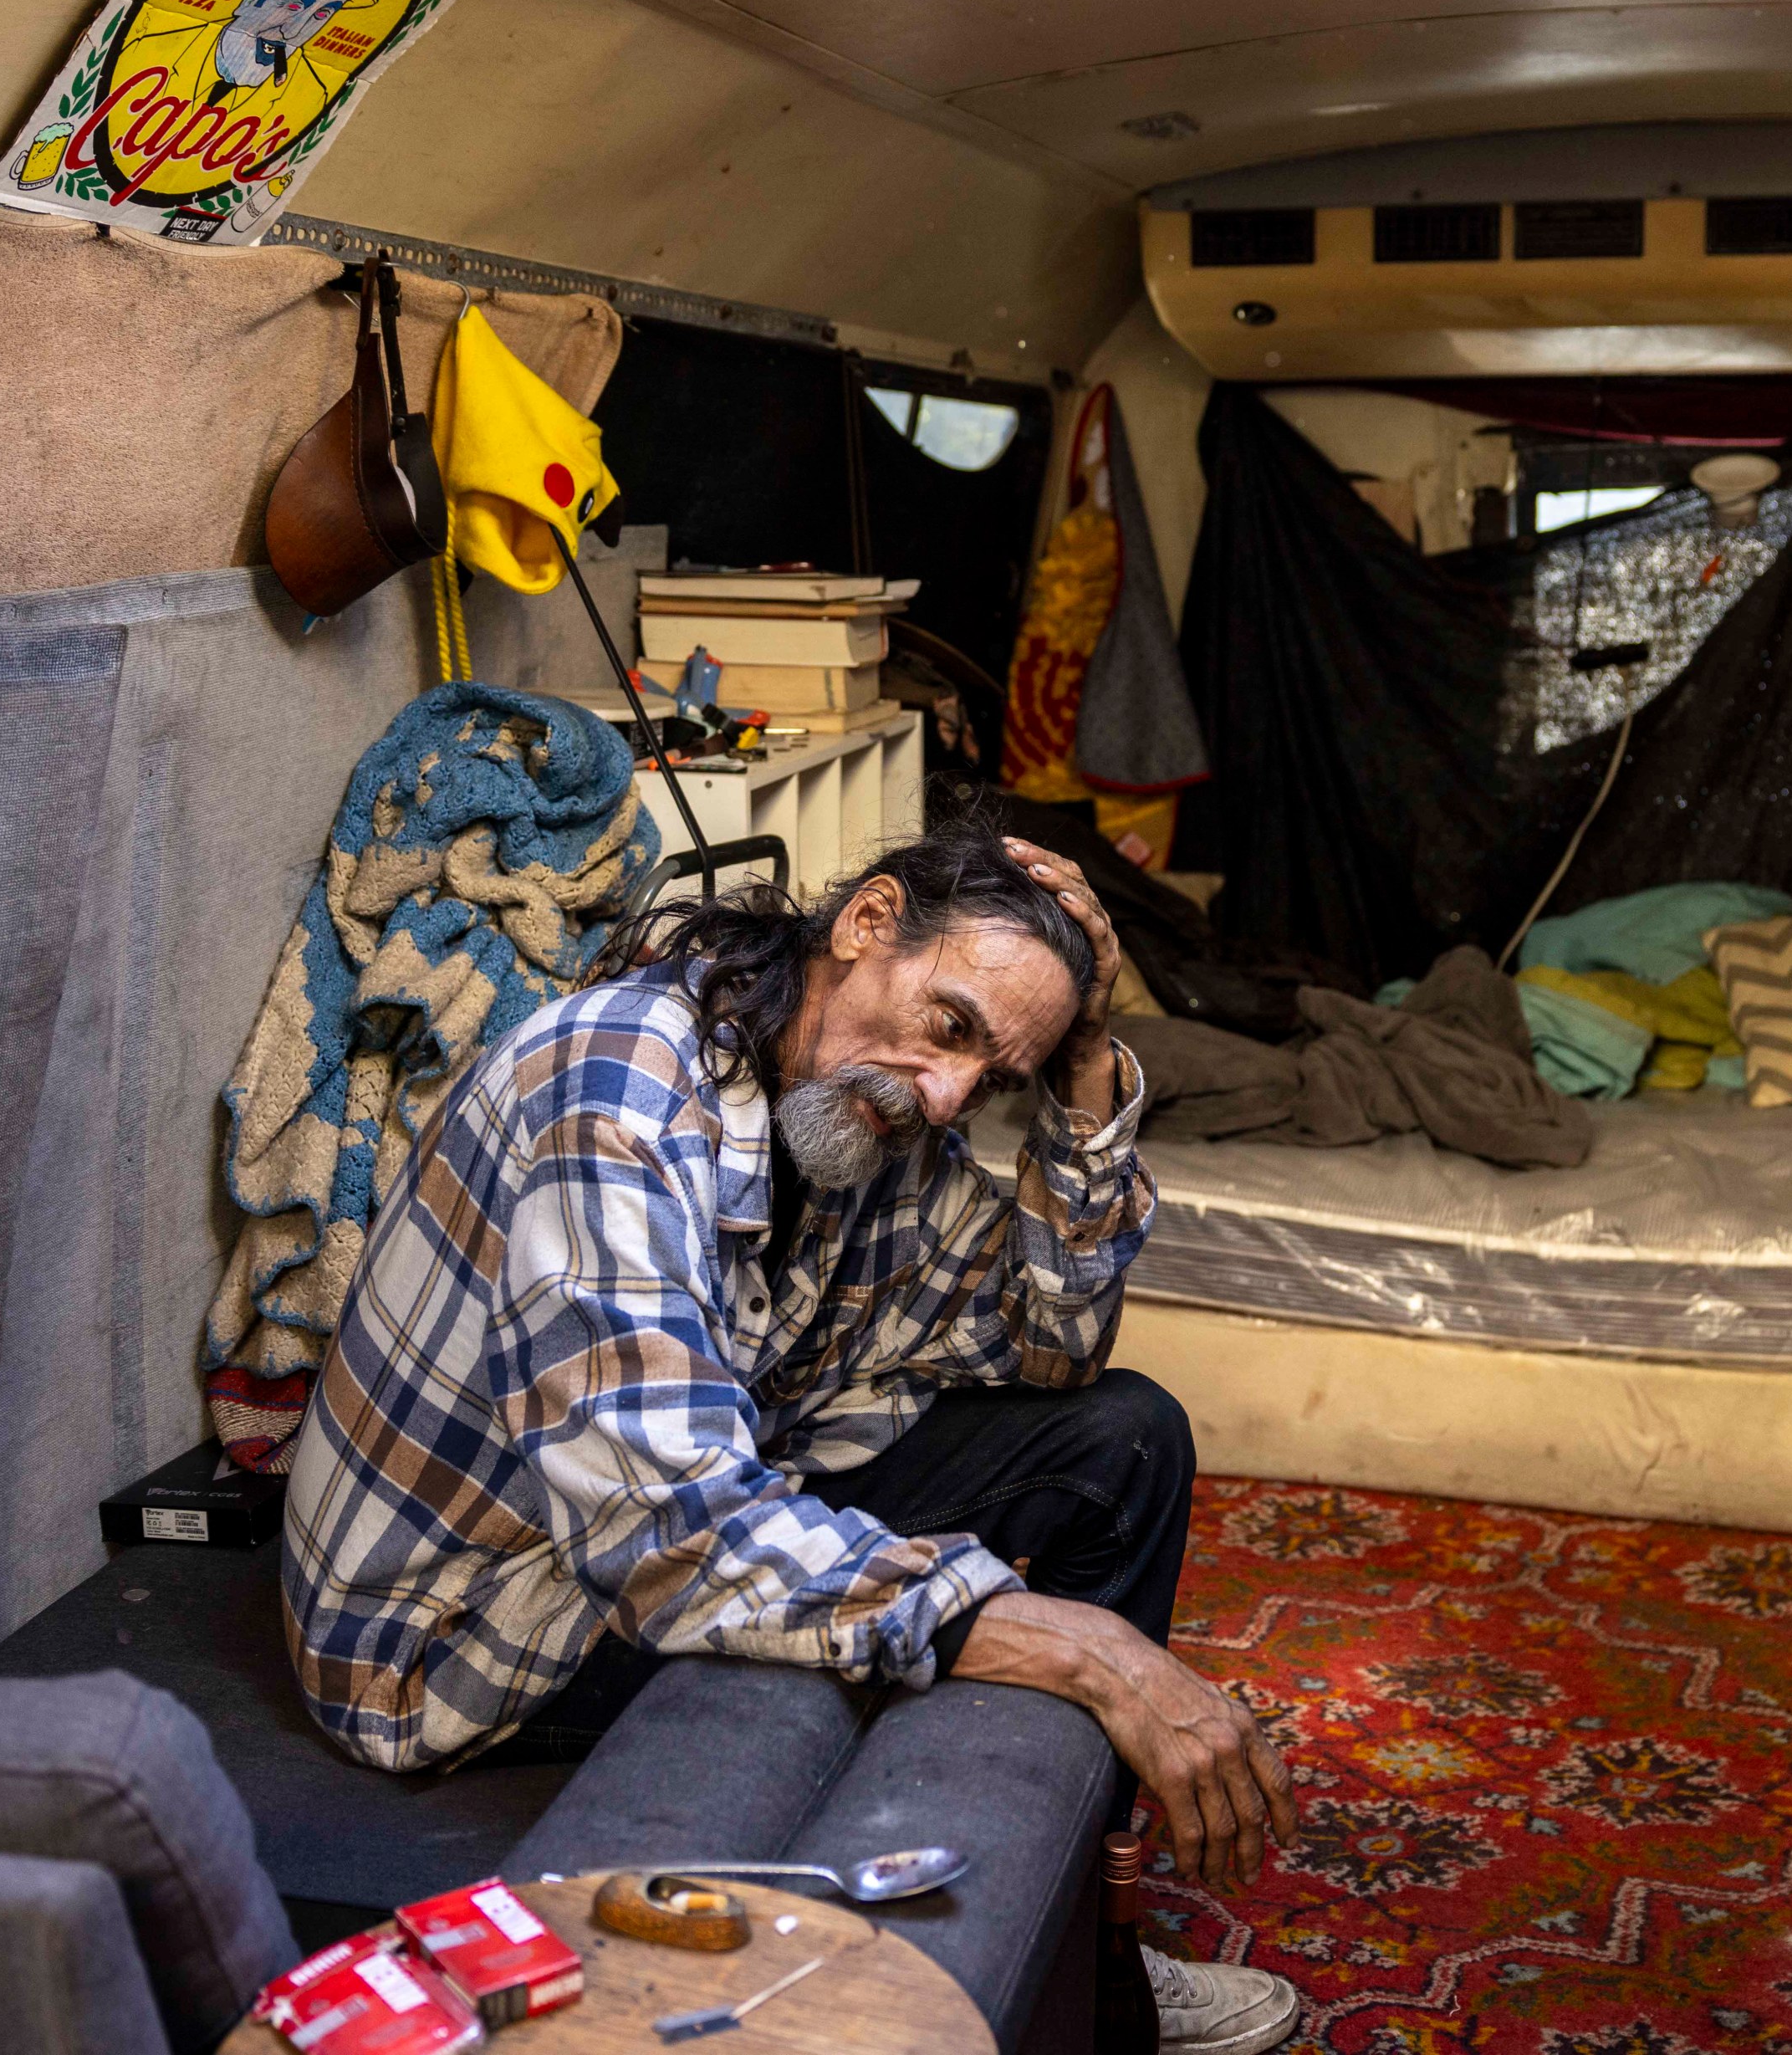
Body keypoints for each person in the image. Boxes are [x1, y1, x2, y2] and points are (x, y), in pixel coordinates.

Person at [282, 810, 1299, 2049]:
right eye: (951, 1025)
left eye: (995, 1077)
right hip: (475, 1624)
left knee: (1123, 1437)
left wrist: (1084, 1066)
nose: (946, 1095)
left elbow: (1054, 1341)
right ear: (865, 923)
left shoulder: (864, 1113)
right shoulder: (618, 1095)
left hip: (699, 1494)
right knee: (861, 1658)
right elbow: (677, 1538)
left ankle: (1079, 1933)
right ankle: (1056, 1985)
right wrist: (1081, 1649)